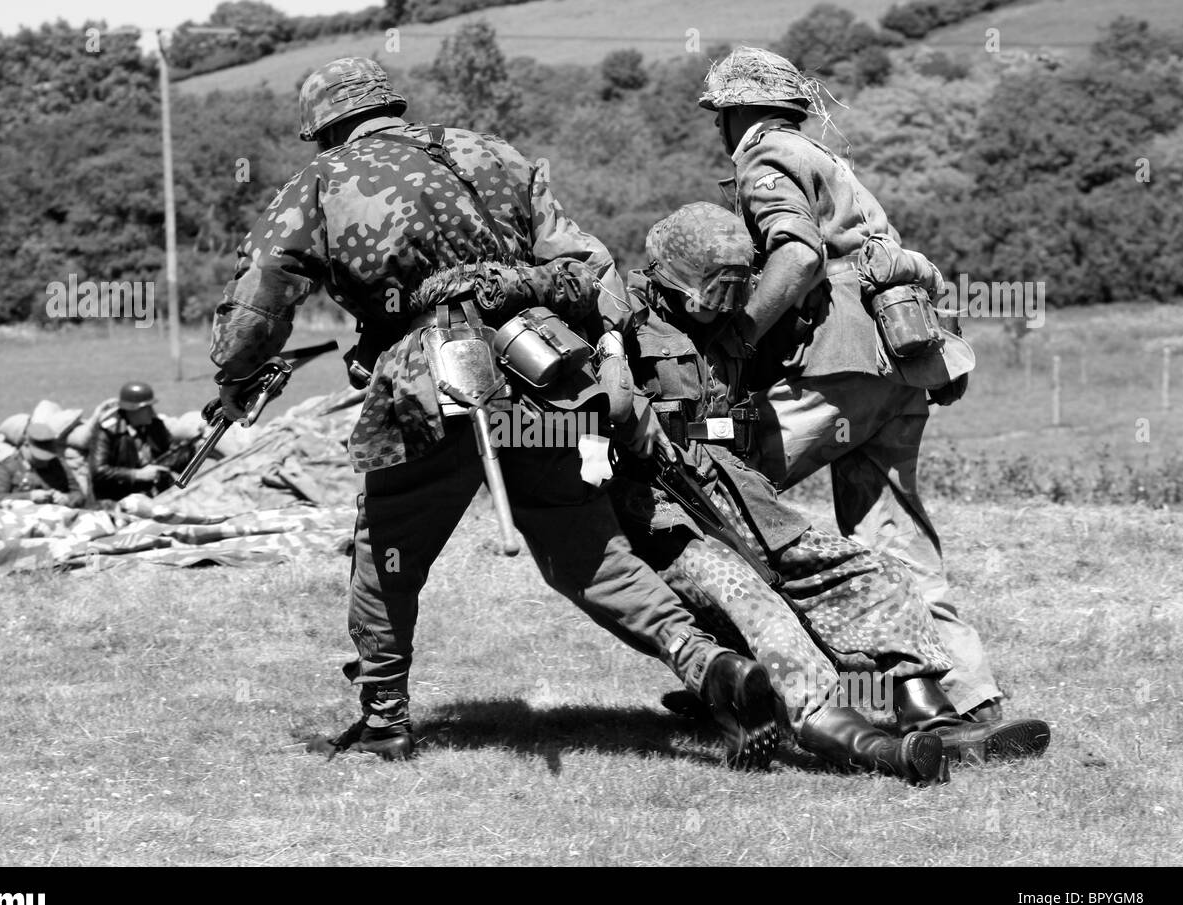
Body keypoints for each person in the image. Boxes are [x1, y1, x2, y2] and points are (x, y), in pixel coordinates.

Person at [207, 57, 778, 767]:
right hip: (543, 373)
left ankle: (385, 720)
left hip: (426, 387)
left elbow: (261, 297)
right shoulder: (495, 154)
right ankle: (710, 667)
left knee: (387, 552)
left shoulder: (322, 180)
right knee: (588, 554)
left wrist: (234, 377)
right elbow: (588, 265)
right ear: (390, 105)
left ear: (327, 126)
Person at [612, 203, 1050, 776]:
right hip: (668, 512)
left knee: (874, 573)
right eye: (710, 294)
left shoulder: (740, 325)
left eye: (734, 292)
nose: (723, 307)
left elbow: (846, 270)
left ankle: (934, 720)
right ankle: (873, 748)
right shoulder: (619, 321)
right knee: (764, 613)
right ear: (672, 279)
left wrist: (938, 343)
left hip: (742, 495)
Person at [699, 47, 1004, 721]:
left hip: (837, 365)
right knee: (895, 537)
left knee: (715, 497)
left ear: (737, 113)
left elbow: (799, 255)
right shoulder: (827, 160)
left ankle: (749, 686)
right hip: (900, 362)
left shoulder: (766, 156)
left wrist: (739, 337)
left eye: (719, 115)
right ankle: (964, 697)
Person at [88, 382, 174, 501]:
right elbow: (99, 471)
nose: (151, 411)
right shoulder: (108, 431)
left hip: (154, 494)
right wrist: (137, 474)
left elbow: (172, 454)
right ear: (132, 410)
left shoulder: (155, 426)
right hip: (116, 497)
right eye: (146, 408)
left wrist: (194, 448)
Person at [0, 421, 85, 507]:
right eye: (38, 457)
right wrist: (29, 497)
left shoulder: (58, 464)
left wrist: (66, 499)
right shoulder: (8, 467)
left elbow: (78, 495)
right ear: (26, 445)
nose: (44, 462)